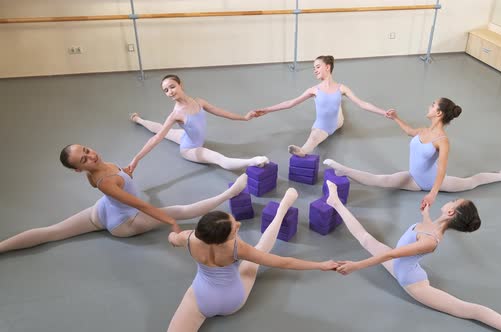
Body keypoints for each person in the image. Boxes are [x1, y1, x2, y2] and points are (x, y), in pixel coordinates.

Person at [325, 181, 501, 332]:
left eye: (453, 201)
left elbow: (390, 253)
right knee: (365, 238)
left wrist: (356, 266)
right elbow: (425, 225)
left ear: (451, 213)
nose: (450, 201)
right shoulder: (432, 225)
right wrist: (426, 211)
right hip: (401, 266)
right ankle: (334, 201)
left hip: (412, 283)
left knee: (469, 310)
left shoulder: (430, 240)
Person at [0, 144, 248, 253]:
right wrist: (169, 221)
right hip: (124, 223)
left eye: (86, 150)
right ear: (78, 169)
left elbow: (119, 180)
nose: (91, 157)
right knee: (181, 211)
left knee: (53, 231)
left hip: (103, 210)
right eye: (84, 160)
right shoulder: (106, 182)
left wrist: (126, 172)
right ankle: (230, 193)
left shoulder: (96, 171)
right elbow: (140, 204)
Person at [166, 188, 338, 331]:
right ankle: (282, 209)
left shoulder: (188, 238)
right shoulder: (237, 248)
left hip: (201, 299)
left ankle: (283, 208)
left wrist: (174, 234)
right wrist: (320, 265)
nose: (239, 225)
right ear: (224, 239)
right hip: (233, 301)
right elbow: (284, 262)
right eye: (235, 229)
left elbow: (172, 239)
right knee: (259, 250)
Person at [324, 98, 501, 209]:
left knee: (472, 181)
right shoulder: (424, 131)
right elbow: (409, 131)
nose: (429, 105)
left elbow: (442, 170)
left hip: (435, 181)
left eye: (433, 104)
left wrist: (433, 194)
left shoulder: (442, 141)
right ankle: (343, 170)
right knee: (381, 180)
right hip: (414, 180)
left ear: (439, 113)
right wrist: (395, 118)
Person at [251, 55, 389, 157]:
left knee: (339, 110)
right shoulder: (314, 90)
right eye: (314, 68)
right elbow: (290, 103)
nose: (314, 70)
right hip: (322, 127)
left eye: (317, 67)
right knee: (313, 138)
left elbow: (362, 104)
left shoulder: (342, 88)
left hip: (338, 122)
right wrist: (267, 110)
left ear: (327, 67)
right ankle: (302, 151)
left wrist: (384, 112)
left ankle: (340, 104)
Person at [128, 74, 269, 172]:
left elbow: (221, 112)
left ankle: (137, 119)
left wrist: (244, 118)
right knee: (219, 159)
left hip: (185, 136)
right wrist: (136, 159)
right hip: (190, 149)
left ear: (180, 84)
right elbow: (156, 139)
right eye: (166, 90)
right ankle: (253, 161)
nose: (170, 92)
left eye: (172, 87)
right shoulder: (176, 114)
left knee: (161, 129)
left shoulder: (199, 102)